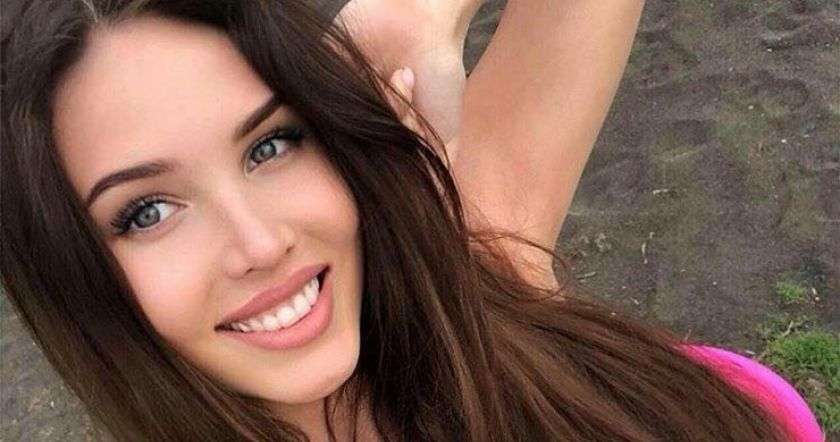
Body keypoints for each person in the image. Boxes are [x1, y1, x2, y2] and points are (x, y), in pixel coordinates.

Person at [0, 0, 823, 440]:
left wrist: (418, 13)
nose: (261, 243)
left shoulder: (477, 274)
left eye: (270, 145)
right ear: (69, 274)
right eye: (147, 211)